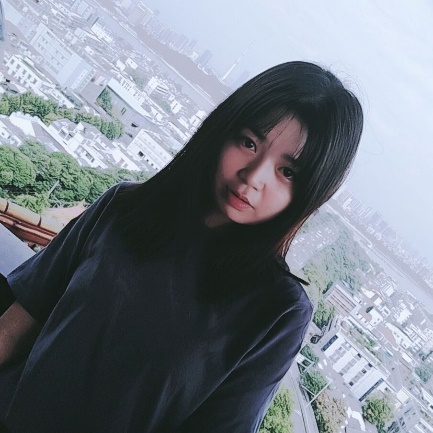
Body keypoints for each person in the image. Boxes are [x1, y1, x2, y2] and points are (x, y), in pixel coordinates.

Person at [0, 61, 363, 433]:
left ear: (309, 193)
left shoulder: (277, 312)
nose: (253, 177)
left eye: (287, 172)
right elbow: (17, 325)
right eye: (249, 143)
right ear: (223, 130)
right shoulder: (124, 207)